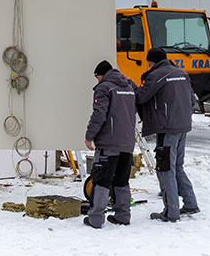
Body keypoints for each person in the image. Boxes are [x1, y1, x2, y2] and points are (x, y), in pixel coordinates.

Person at [136, 47, 200, 222]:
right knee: (177, 165)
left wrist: (132, 86)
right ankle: (190, 203)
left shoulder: (156, 75)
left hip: (166, 127)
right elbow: (192, 100)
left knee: (165, 168)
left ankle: (171, 211)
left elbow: (140, 97)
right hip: (183, 126)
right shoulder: (182, 73)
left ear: (151, 61)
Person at [83, 60, 137, 228]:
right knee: (122, 180)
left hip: (109, 142)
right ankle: (123, 215)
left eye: (97, 77)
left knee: (101, 180)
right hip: (127, 142)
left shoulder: (104, 88)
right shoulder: (128, 87)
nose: (97, 80)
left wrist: (89, 135)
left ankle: (96, 219)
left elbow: (99, 114)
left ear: (100, 75)